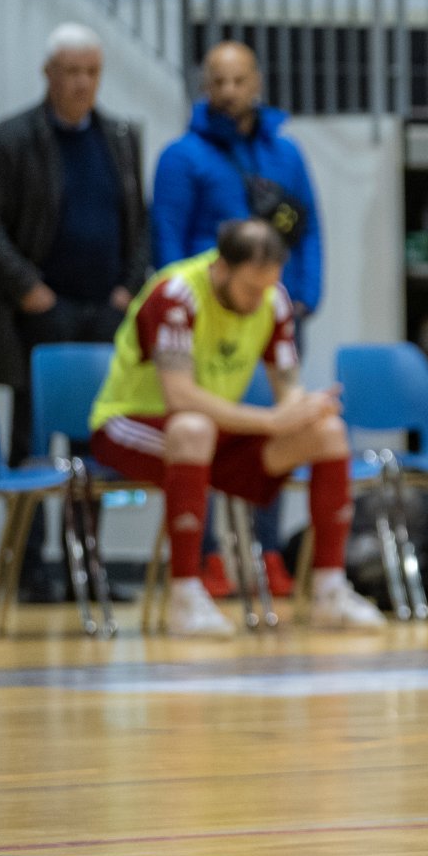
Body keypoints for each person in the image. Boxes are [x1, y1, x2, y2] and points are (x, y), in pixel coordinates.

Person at [88, 220, 382, 636]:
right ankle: (185, 596)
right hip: (130, 425)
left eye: (268, 286)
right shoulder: (175, 295)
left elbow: (288, 389)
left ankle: (329, 591)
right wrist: (270, 420)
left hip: (214, 433)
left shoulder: (273, 300)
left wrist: (306, 408)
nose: (259, 298)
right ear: (222, 269)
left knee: (327, 432)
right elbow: (180, 397)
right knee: (192, 428)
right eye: (250, 288)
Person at [0, 23, 150, 601]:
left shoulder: (120, 136)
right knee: (34, 441)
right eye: (70, 71)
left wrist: (129, 287)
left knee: (99, 445)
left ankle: (86, 570)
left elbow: (137, 223)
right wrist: (27, 287)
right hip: (41, 314)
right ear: (49, 74)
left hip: (105, 312)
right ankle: (30, 570)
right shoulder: (12, 137)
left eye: (91, 71)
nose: (81, 82)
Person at [151, 41, 324, 598]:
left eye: (239, 80)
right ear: (205, 86)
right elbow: (168, 243)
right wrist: (191, 307)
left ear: (258, 83)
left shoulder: (286, 153)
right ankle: (207, 561)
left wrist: (304, 294)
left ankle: (268, 552)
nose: (229, 91)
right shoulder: (183, 157)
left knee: (282, 425)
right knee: (205, 433)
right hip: (209, 320)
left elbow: (309, 229)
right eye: (218, 81)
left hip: (274, 313)